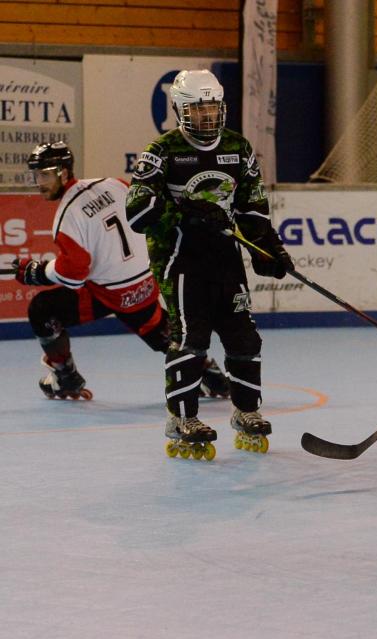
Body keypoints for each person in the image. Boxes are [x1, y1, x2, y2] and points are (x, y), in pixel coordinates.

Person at [125, 69, 292, 459]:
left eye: (213, 108)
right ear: (180, 110)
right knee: (191, 338)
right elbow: (137, 211)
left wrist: (267, 248)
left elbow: (253, 206)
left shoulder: (237, 147)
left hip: (224, 255)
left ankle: (247, 411)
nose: (207, 116)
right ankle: (182, 418)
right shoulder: (162, 151)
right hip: (180, 258)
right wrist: (186, 213)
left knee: (244, 336)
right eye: (198, 109)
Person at [10, 141, 229, 401]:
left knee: (42, 310)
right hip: (145, 284)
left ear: (64, 172)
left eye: (45, 175)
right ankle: (211, 375)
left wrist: (38, 272)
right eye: (36, 175)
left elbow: (73, 273)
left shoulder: (67, 216)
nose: (39, 182)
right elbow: (146, 214)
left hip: (111, 293)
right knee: (157, 330)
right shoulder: (114, 183)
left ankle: (65, 377)